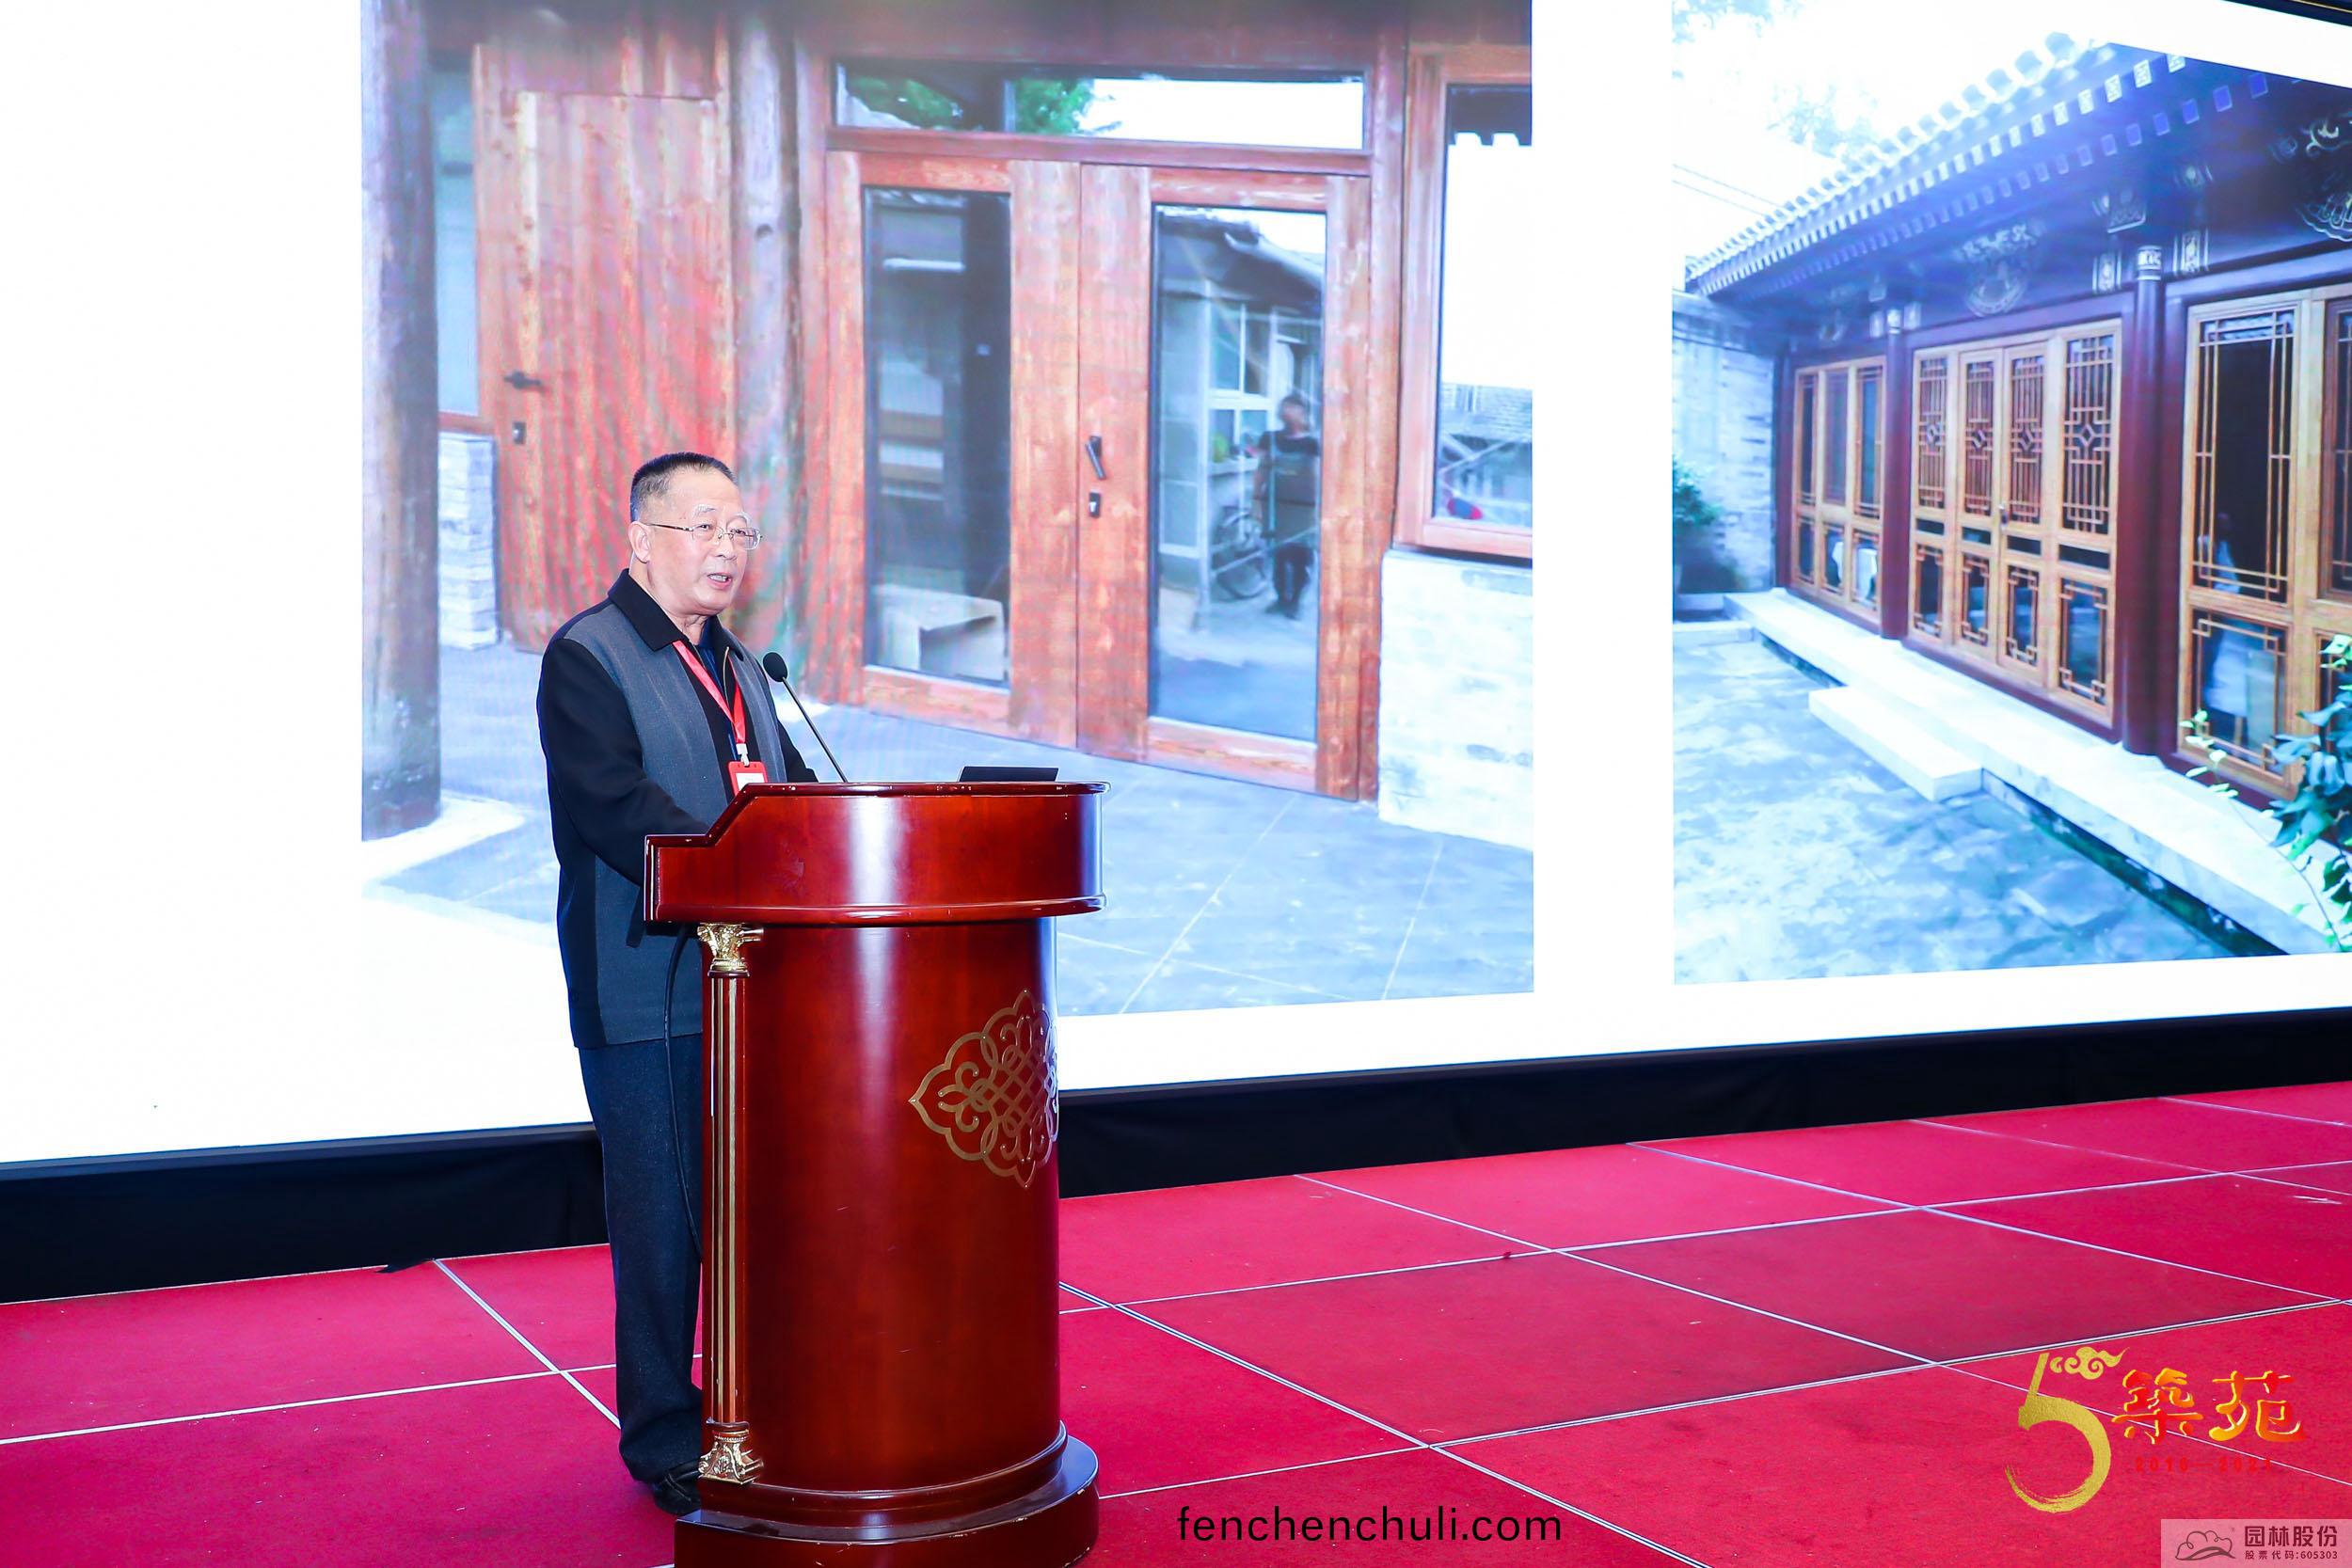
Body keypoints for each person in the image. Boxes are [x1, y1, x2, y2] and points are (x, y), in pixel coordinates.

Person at [534, 452, 818, 1515]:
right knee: (662, 1224)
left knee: (757, 1216)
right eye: (703, 527)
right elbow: (616, 806)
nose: (726, 549)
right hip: (643, 986)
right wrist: (741, 862)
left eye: (739, 531)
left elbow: (791, 796)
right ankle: (663, 1432)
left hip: (758, 986)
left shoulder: (744, 664)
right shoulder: (587, 656)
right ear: (640, 540)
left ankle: (758, 1403)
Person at [1252, 392, 1321, 618]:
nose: (1287, 412)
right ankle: (1281, 599)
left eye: (1293, 407)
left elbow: (1316, 475)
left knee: (1300, 557)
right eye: (1285, 407)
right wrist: (1257, 501)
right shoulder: (1270, 438)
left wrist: (1318, 509)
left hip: (1303, 508)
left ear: (1303, 413)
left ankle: (1295, 602)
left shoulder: (1311, 443)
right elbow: (1261, 471)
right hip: (1276, 506)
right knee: (1279, 556)